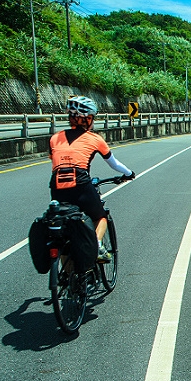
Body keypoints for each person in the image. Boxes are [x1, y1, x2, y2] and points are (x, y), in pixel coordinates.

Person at [49, 95, 135, 261]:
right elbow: (114, 163)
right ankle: (96, 246)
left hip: (57, 185)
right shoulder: (94, 139)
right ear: (87, 119)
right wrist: (129, 173)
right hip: (80, 183)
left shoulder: (55, 138)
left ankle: (67, 280)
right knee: (100, 216)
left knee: (65, 226)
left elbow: (54, 160)